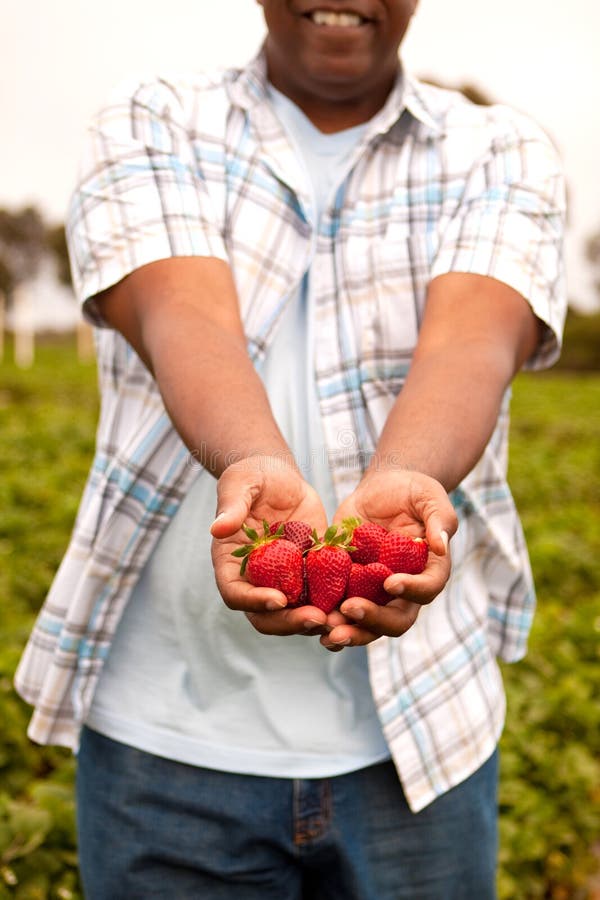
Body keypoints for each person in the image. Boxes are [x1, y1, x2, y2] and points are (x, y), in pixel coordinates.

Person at [15, 1, 566, 897]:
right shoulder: (152, 117)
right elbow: (180, 312)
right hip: (163, 747)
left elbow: (474, 341)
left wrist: (408, 477)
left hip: (424, 739)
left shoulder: (499, 151)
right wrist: (249, 458)